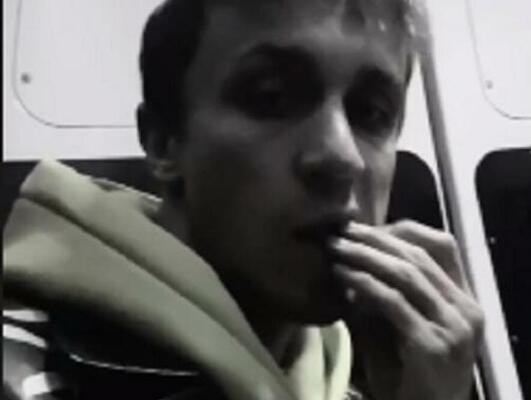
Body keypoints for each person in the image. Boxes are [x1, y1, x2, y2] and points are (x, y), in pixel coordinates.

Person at [3, 0, 484, 399]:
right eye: (272, 97)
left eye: (372, 113)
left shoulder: (357, 384)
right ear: (165, 141)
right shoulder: (27, 369)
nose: (343, 157)